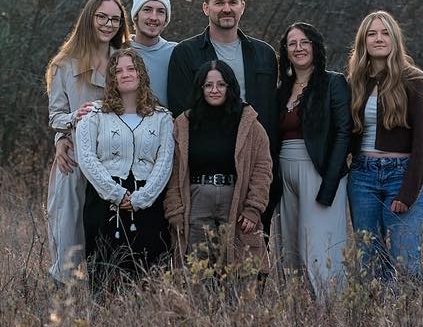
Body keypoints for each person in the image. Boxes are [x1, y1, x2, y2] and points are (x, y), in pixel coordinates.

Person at [45, 0, 130, 281]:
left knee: (109, 241)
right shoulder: (64, 64)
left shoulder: (124, 61)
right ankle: (63, 310)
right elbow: (55, 116)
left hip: (115, 163)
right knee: (68, 237)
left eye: (115, 19)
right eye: (102, 17)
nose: (108, 24)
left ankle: (104, 304)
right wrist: (68, 126)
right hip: (75, 162)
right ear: (89, 19)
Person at [346, 10, 423, 286]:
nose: (379, 38)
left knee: (405, 260)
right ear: (364, 41)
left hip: (401, 175)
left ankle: (409, 325)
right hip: (362, 177)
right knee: (369, 259)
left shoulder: (413, 79)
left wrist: (408, 193)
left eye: (385, 33)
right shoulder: (355, 81)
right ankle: (375, 325)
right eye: (372, 34)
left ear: (395, 39)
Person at [75, 48, 174, 290]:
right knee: (104, 273)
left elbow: (165, 161)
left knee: (148, 275)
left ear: (141, 74)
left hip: (147, 202)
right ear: (111, 78)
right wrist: (116, 194)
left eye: (131, 68)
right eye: (118, 71)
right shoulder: (95, 115)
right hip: (104, 201)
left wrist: (143, 197)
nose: (125, 74)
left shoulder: (161, 117)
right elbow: (87, 158)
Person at [163, 60, 272, 278]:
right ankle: (201, 312)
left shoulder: (248, 123)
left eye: (221, 85)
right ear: (200, 88)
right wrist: (174, 210)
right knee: (197, 271)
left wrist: (253, 207)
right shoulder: (184, 123)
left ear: (230, 87)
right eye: (208, 85)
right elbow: (173, 169)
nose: (214, 90)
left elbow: (263, 167)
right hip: (196, 200)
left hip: (235, 200)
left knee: (239, 272)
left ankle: (236, 313)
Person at [275, 22, 351, 293]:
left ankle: (331, 315)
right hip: (285, 173)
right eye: (292, 43)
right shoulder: (282, 89)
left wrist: (329, 185)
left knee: (319, 247)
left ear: (315, 46)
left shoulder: (333, 82)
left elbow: (344, 132)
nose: (298, 48)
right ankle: (298, 316)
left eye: (304, 42)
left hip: (319, 172)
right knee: (290, 249)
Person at [166, 0, 278, 148]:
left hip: (255, 151)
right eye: (219, 3)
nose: (227, 9)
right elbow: (181, 112)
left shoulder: (265, 54)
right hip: (207, 154)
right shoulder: (185, 53)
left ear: (242, 6)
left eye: (233, 2)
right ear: (205, 8)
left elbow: (272, 112)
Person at [129, 0, 177, 106]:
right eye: (147, 10)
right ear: (135, 15)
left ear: (166, 19)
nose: (154, 17)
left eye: (160, 11)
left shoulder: (177, 52)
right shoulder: (118, 50)